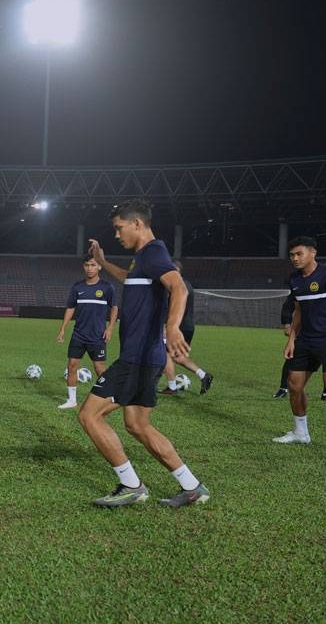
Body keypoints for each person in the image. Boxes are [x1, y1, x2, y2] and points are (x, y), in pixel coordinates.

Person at [80, 199, 210, 508]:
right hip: (143, 356)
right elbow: (129, 278)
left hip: (138, 357)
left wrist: (173, 327)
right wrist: (102, 259)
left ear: (137, 224)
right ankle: (193, 487)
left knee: (89, 415)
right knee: (138, 425)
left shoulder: (154, 252)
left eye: (119, 228)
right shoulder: (143, 259)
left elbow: (179, 288)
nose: (116, 234)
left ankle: (131, 485)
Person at [272, 236, 326, 457]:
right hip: (305, 340)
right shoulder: (294, 280)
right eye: (292, 255)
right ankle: (300, 433)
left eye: (299, 254)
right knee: (294, 385)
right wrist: (291, 339)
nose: (294, 258)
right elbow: (299, 311)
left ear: (313, 253)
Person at [56, 254, 117, 409]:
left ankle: (110, 395)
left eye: (93, 265)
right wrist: (63, 329)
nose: (89, 268)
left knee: (99, 368)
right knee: (71, 365)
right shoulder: (77, 287)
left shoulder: (107, 287)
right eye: (87, 265)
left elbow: (114, 307)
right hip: (79, 334)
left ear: (99, 267)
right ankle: (72, 400)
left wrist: (110, 327)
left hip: (97, 335)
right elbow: (70, 308)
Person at [159, 260, 214, 396]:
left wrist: (166, 327)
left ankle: (172, 387)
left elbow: (171, 308)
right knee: (177, 356)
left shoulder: (174, 285)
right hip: (188, 326)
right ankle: (203, 375)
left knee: (165, 354)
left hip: (177, 327)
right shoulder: (187, 284)